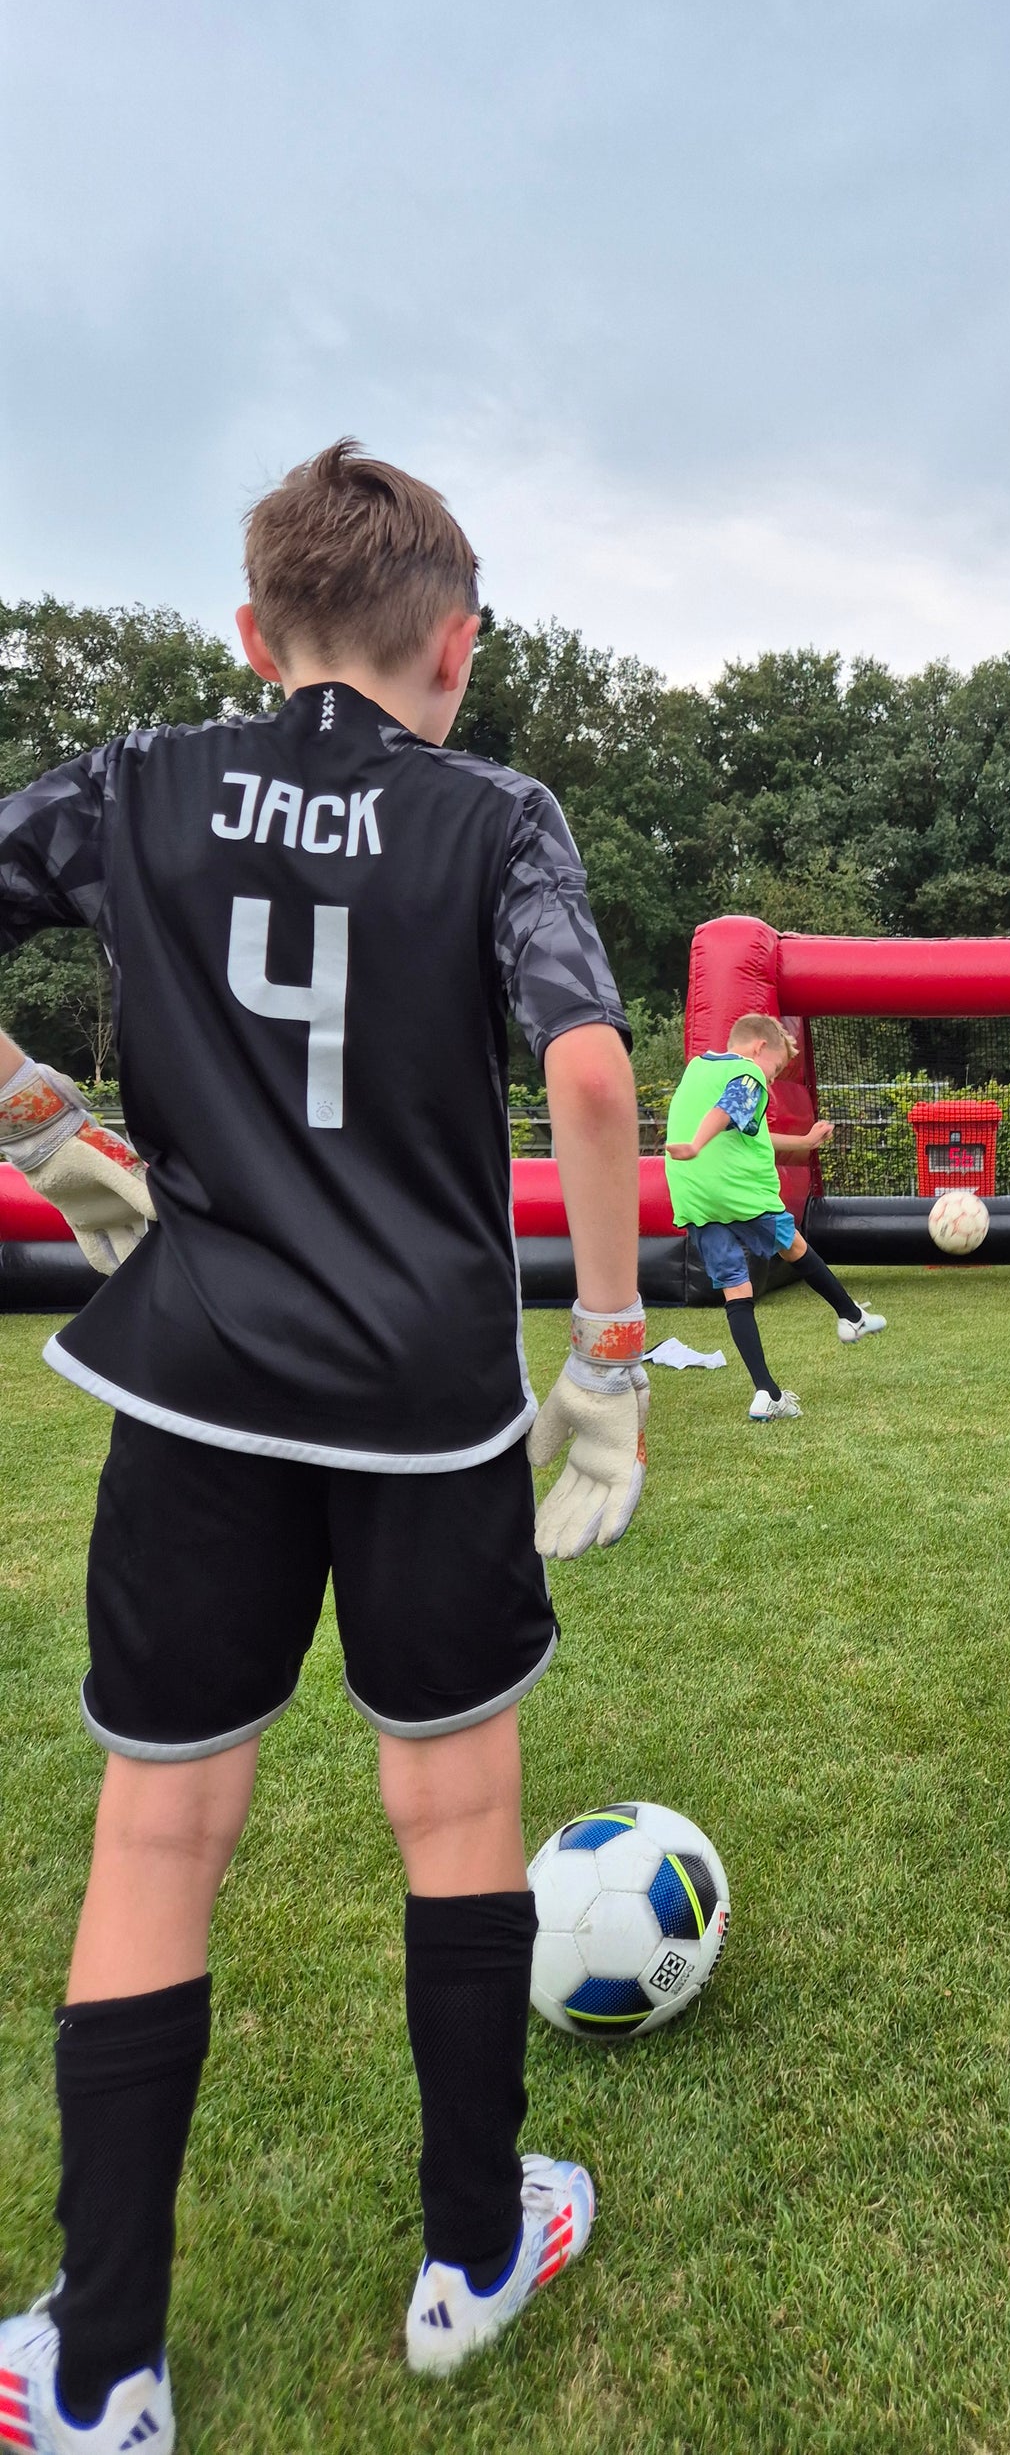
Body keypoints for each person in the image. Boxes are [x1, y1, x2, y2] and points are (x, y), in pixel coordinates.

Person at [0, 442, 646, 2454]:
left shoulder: (134, 779)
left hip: (197, 1379)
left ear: (245, 630)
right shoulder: (498, 810)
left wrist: (38, 1117)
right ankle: (470, 2250)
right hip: (431, 1399)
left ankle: (101, 2365)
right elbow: (596, 1069)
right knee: (454, 1820)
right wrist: (611, 1348)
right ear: (456, 646)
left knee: (158, 1841)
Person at [663, 1010, 885, 1419]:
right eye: (778, 1066)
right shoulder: (750, 1074)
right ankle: (851, 1317)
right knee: (794, 1245)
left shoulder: (697, 1069)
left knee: (736, 1288)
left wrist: (803, 1141)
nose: (775, 1076)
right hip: (737, 1191)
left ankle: (767, 1393)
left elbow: (745, 1129)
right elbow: (730, 1109)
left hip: (693, 1196)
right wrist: (696, 1144)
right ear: (759, 1045)